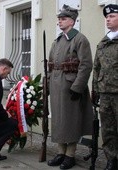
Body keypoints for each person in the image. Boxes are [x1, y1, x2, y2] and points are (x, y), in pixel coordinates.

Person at [47, 4, 93, 169]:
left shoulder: (80, 39)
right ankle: (60, 152)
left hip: (70, 86)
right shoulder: (57, 41)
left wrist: (77, 87)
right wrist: (47, 85)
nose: (60, 21)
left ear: (72, 21)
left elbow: (86, 65)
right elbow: (50, 65)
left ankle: (70, 155)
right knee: (59, 120)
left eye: (63, 18)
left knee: (71, 120)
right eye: (59, 18)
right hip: (55, 84)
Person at [92, 4, 118, 170]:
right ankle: (112, 159)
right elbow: (96, 67)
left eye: (112, 16)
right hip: (105, 92)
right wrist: (95, 90)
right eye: (107, 17)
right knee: (108, 130)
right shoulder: (103, 42)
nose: (108, 19)